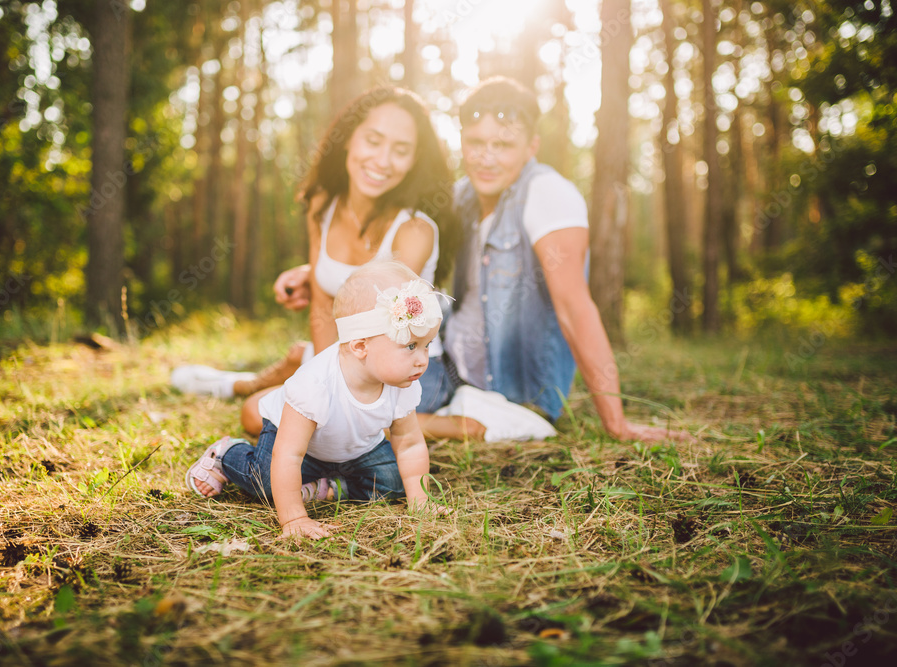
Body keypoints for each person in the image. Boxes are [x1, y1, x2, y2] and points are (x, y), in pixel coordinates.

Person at [275, 77, 693, 444]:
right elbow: (394, 263)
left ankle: (394, 421)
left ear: (531, 146)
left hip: (512, 389)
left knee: (328, 395)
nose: (486, 157)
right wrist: (316, 274)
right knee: (315, 369)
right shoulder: (461, 197)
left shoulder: (548, 195)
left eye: (503, 145)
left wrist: (616, 421)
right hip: (453, 368)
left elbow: (575, 308)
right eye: (475, 143)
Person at [170, 86, 463, 435]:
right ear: (348, 140)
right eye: (373, 140)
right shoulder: (323, 204)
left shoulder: (414, 229)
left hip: (404, 365)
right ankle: (238, 383)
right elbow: (323, 308)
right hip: (349, 356)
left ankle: (452, 425)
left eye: (401, 150)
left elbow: (384, 323)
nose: (383, 160)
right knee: (274, 394)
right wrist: (326, 373)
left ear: (415, 160)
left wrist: (333, 386)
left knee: (256, 416)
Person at [185, 262, 444, 539]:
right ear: (360, 346)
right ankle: (226, 455)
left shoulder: (403, 381)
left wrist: (420, 500)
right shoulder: (315, 384)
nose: (422, 360)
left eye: (426, 345)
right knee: (268, 483)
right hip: (299, 445)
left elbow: (409, 443)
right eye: (410, 346)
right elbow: (288, 454)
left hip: (353, 449)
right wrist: (294, 518)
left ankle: (328, 486)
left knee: (393, 483)